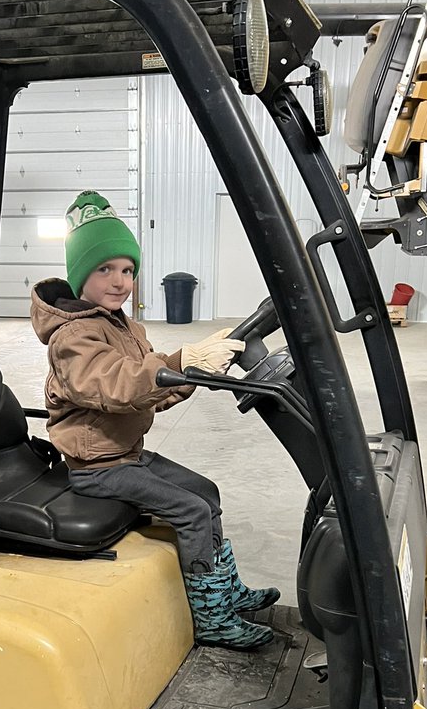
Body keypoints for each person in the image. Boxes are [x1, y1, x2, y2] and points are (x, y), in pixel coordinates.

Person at [31, 190, 279, 651]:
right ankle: (211, 618)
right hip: (98, 469)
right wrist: (184, 361)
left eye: (127, 270)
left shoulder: (126, 326)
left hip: (128, 454)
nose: (120, 280)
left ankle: (225, 590)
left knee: (207, 493)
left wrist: (200, 366)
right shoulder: (72, 337)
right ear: (81, 275)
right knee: (190, 510)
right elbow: (114, 384)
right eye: (105, 269)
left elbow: (150, 388)